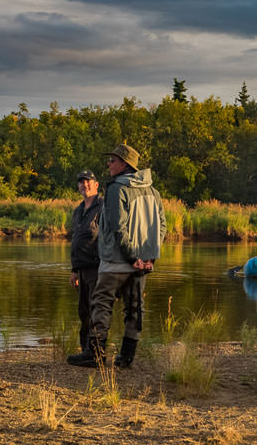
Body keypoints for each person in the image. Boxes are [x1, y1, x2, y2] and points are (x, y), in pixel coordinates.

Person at [67, 144, 166, 368]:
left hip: (116, 261)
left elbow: (117, 227)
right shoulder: (153, 192)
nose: (108, 164)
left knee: (101, 304)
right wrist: (148, 257)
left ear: (124, 164)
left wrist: (131, 257)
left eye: (112, 160)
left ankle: (95, 355)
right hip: (143, 262)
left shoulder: (116, 190)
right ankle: (126, 357)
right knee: (134, 307)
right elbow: (161, 227)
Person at [69, 169, 102, 355]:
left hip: (97, 267)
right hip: (81, 269)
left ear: (96, 185)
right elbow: (76, 241)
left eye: (88, 181)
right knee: (83, 311)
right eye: (81, 182)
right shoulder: (78, 210)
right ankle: (85, 350)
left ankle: (95, 351)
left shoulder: (103, 206)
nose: (84, 185)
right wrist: (74, 270)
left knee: (96, 309)